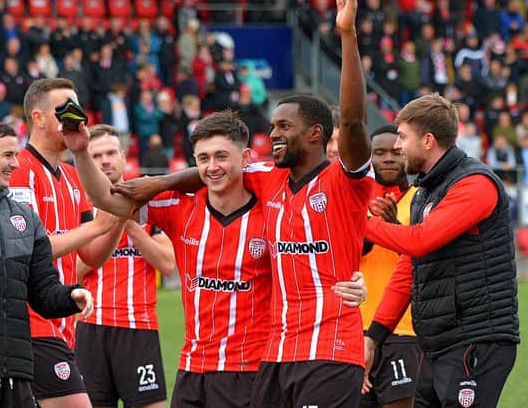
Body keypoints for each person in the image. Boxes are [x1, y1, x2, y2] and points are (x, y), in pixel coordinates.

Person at [108, 0, 372, 406]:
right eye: (274, 126)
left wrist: (346, 34)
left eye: (285, 127)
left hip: (330, 349)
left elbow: (356, 123)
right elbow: (215, 169)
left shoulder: (344, 182)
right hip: (276, 355)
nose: (275, 133)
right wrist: (160, 183)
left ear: (317, 133)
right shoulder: (267, 180)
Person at [63, 108, 367, 407]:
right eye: (203, 158)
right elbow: (107, 199)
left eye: (222, 156)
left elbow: (317, 250)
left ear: (246, 158)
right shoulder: (178, 206)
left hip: (250, 373)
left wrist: (352, 280)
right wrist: (80, 152)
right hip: (191, 371)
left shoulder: (272, 209)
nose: (213, 167)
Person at [362, 93, 520, 408]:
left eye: (403, 138)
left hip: (475, 340)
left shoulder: (474, 184)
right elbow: (409, 268)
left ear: (429, 140)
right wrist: (374, 337)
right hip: (437, 344)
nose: (398, 146)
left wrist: (354, 222)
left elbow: (419, 240)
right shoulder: (426, 192)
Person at [0, 119, 93, 408]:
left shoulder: (25, 218)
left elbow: (42, 292)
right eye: (7, 155)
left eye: (15, 155)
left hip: (16, 368)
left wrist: (71, 296)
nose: (16, 164)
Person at [8, 78, 124, 408]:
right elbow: (26, 247)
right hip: (30, 320)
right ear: (38, 117)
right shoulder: (18, 170)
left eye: (76, 109)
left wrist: (115, 223)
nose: (72, 118)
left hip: (63, 325)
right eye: (63, 111)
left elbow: (89, 257)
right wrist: (97, 227)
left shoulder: (74, 176)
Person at [75, 125, 176, 408]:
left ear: (122, 156)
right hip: (92, 327)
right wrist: (106, 226)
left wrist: (129, 221)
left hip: (138, 326)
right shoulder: (79, 205)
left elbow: (168, 265)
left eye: (110, 153)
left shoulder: (147, 202)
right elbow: (71, 270)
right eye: (96, 156)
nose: (105, 161)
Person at [359, 125, 421, 408]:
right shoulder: (355, 202)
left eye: (396, 152)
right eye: (379, 153)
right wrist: (370, 234)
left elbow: (424, 261)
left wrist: (394, 229)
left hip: (404, 330)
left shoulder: (422, 200)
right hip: (356, 329)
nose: (388, 159)